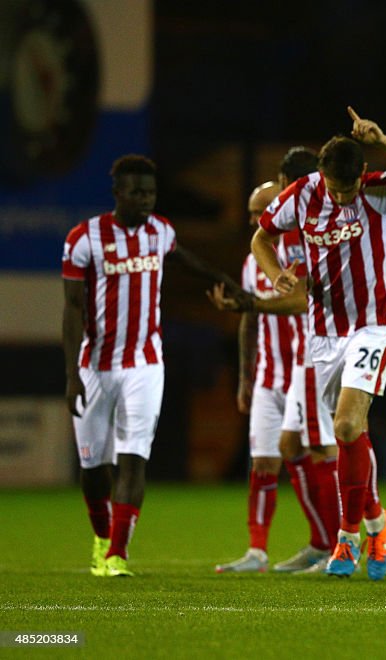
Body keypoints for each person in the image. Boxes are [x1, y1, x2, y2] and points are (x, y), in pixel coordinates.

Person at [251, 107, 386, 580]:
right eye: (336, 188)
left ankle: (347, 538)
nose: (342, 195)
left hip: (376, 323)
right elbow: (260, 239)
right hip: (325, 331)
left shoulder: (379, 190)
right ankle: (377, 519)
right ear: (322, 176)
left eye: (348, 187)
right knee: (344, 433)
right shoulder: (302, 194)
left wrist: (383, 137)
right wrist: (278, 277)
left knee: (348, 425)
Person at [63, 154, 243, 577]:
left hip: (145, 364)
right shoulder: (84, 237)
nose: (145, 200)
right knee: (93, 468)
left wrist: (226, 281)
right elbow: (71, 308)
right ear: (118, 193)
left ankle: (117, 554)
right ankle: (102, 536)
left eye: (150, 192)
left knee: (133, 458)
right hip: (96, 365)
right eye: (137, 192)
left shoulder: (160, 231)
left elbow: (184, 260)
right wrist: (72, 374)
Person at [211, 148, 347, 574]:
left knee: (325, 446)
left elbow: (299, 301)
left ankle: (344, 538)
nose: (257, 220)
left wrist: (250, 302)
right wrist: (246, 376)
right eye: (252, 213)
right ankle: (272, 549)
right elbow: (249, 322)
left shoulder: (309, 244)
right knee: (271, 456)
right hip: (270, 374)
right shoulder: (258, 259)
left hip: (310, 363)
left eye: (264, 210)